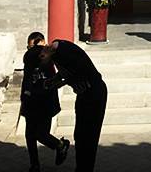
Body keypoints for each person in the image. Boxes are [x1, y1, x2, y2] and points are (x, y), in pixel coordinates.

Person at [40, 40, 108, 172]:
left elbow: (79, 70)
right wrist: (55, 81)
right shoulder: (56, 54)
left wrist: (61, 82)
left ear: (45, 52)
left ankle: (85, 169)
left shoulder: (64, 50)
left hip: (94, 93)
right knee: (80, 135)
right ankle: (81, 167)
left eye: (42, 60)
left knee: (89, 136)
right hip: (83, 95)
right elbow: (66, 72)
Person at [21, 42, 69, 172]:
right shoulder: (30, 60)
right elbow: (26, 84)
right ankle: (34, 165)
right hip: (31, 103)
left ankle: (60, 145)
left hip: (45, 105)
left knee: (41, 134)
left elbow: (52, 85)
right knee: (30, 135)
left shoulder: (47, 64)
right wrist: (24, 100)